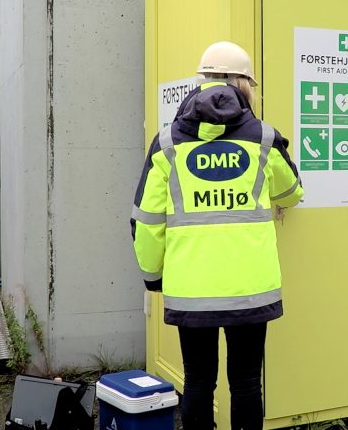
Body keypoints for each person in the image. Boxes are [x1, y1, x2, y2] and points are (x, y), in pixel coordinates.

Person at [130, 41, 303, 430]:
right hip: (251, 289)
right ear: (243, 82)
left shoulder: (168, 143)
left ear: (201, 80)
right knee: (244, 383)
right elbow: (292, 192)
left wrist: (152, 276)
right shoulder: (263, 138)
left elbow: (146, 221)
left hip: (191, 291)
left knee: (197, 381)